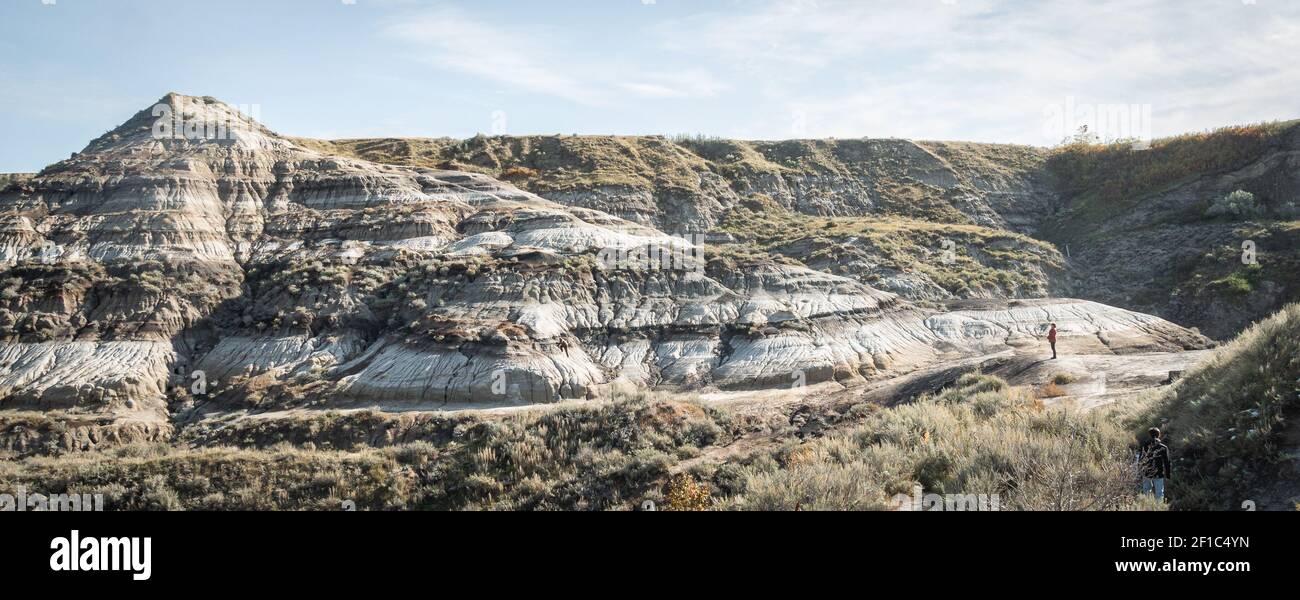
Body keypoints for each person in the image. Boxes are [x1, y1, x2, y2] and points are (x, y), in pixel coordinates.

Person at [1138, 427, 1171, 502]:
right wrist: (1168, 475)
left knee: (1146, 492)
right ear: (1159, 435)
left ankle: (1146, 507)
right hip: (1159, 473)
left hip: (1146, 472)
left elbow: (1140, 460)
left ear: (1149, 435)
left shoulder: (1144, 446)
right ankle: (1158, 508)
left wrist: (1139, 473)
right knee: (1159, 494)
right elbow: (1167, 462)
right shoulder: (1163, 447)